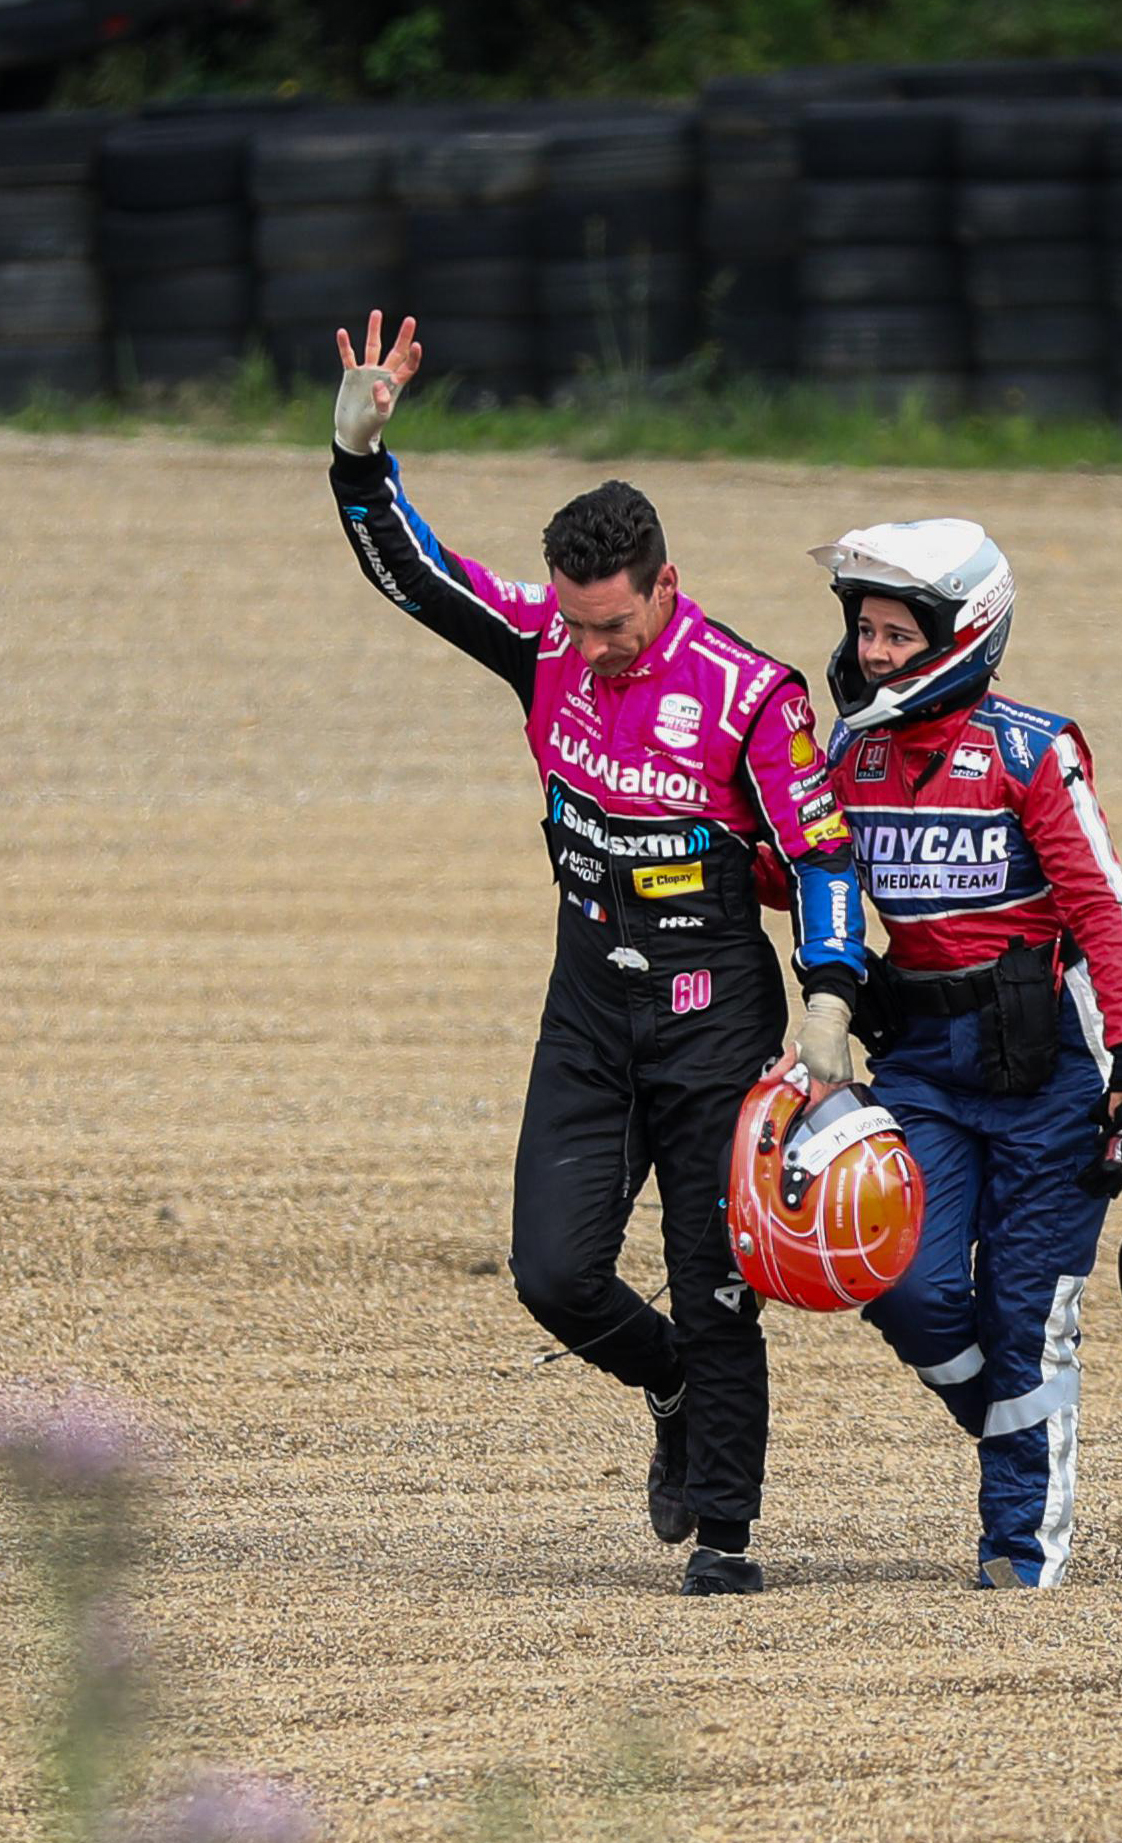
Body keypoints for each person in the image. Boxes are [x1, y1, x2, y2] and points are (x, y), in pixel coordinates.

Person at [326, 312, 865, 1596]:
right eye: (576, 625)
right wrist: (358, 457)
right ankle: (666, 1383)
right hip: (587, 1009)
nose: (591, 647)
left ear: (665, 586)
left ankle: (727, 1533)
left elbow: (826, 856)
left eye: (614, 627)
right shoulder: (547, 640)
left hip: (713, 1019)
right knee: (554, 1273)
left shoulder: (754, 694)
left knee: (715, 1280)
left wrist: (831, 999)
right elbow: (418, 573)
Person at [779, 517, 1122, 1590]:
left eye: (897, 635)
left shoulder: (1034, 749)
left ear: (966, 633)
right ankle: (1004, 1424)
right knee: (897, 1279)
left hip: (1051, 1074)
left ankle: (1019, 1553)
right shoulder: (849, 756)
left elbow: (1102, 905)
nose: (872, 653)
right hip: (917, 1064)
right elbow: (806, 868)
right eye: (865, 630)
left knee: (1023, 1313)